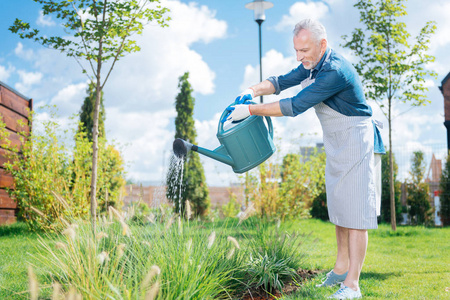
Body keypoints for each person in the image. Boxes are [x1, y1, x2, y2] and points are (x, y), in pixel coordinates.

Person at [228, 19, 385, 299]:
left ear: (322, 44)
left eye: (304, 50)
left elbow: (295, 104)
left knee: (356, 214)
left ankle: (352, 285)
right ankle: (340, 269)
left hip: (356, 140)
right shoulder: (314, 63)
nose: (299, 57)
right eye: (296, 51)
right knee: (339, 208)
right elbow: (281, 82)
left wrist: (251, 110)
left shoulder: (334, 71)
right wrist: (252, 91)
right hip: (338, 142)